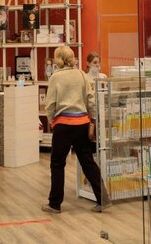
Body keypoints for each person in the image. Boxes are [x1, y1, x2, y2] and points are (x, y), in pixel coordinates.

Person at [42, 46, 105, 214]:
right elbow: (91, 100)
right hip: (82, 123)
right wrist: (92, 120)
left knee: (57, 164)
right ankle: (103, 198)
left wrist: (52, 122)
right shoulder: (81, 75)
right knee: (87, 162)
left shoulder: (55, 77)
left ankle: (55, 203)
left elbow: (50, 104)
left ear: (58, 59)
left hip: (63, 125)